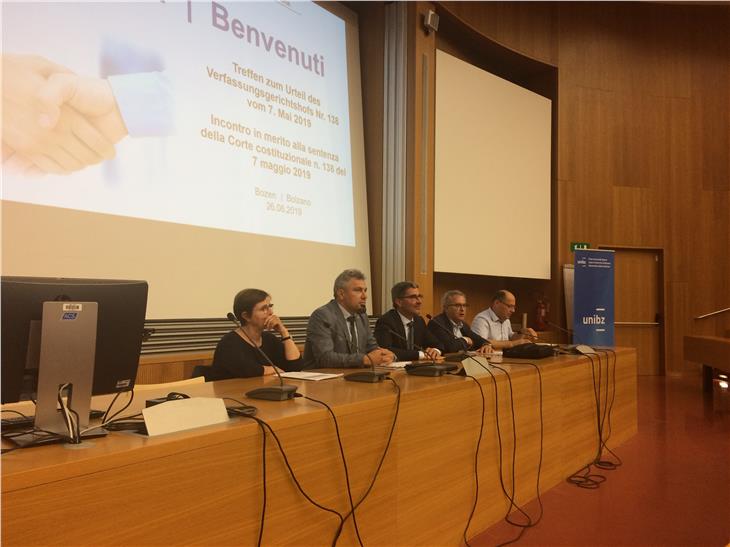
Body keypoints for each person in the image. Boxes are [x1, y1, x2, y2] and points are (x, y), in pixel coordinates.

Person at [303, 269, 395, 369]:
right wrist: (364, 359)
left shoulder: (361, 316)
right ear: (341, 294)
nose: (365, 296)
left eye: (365, 290)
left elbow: (371, 348)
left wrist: (385, 356)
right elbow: (325, 358)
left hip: (354, 376)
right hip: (323, 380)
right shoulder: (323, 316)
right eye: (358, 290)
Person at [207, 288, 302, 380]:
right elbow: (247, 370)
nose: (271, 312)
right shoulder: (229, 343)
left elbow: (295, 367)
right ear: (246, 316)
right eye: (264, 309)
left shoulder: (269, 339)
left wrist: (284, 332)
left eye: (270, 306)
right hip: (232, 394)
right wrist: (273, 369)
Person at [375, 281, 444, 362]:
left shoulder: (419, 321)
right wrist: (420, 354)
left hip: (416, 368)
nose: (419, 301)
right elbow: (385, 350)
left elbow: (438, 344)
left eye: (419, 296)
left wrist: (435, 351)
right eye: (413, 297)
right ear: (399, 302)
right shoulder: (386, 321)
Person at [427, 290, 492, 354]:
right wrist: (466, 340)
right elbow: (448, 347)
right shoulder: (437, 323)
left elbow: (478, 339)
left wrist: (486, 345)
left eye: (464, 305)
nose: (462, 309)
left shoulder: (463, 325)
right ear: (446, 308)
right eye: (457, 305)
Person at [471, 290, 537, 350]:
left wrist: (522, 333)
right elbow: (481, 342)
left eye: (514, 307)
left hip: (505, 358)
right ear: (497, 303)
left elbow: (510, 337)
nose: (513, 310)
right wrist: (513, 344)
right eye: (509, 306)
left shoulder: (506, 319)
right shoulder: (481, 319)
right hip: (488, 360)